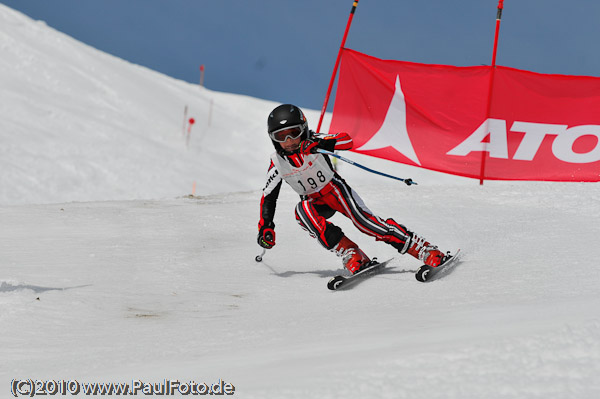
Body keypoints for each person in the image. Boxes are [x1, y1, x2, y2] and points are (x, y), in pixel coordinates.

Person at [257, 104, 447, 274]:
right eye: (281, 136)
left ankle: (423, 249)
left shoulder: (315, 140)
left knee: (365, 223)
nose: (289, 141)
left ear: (304, 130)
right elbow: (269, 197)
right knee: (302, 211)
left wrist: (319, 144)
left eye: (294, 133)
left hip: (336, 191)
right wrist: (266, 226)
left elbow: (346, 141)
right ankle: (352, 253)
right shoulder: (277, 163)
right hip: (314, 201)